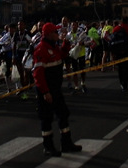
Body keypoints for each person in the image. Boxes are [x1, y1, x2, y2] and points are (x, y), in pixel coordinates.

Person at [32, 23, 82, 157]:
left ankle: (66, 143)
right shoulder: (41, 49)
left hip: (56, 88)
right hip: (47, 90)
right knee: (47, 118)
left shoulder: (54, 47)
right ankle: (48, 147)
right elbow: (38, 74)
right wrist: (45, 92)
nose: (57, 34)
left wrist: (65, 45)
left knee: (63, 114)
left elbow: (62, 56)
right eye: (55, 32)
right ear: (48, 34)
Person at [110, 19, 128, 91]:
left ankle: (121, 82)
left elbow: (112, 40)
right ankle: (125, 84)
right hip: (127, 51)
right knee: (126, 68)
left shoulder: (116, 28)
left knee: (120, 68)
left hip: (118, 52)